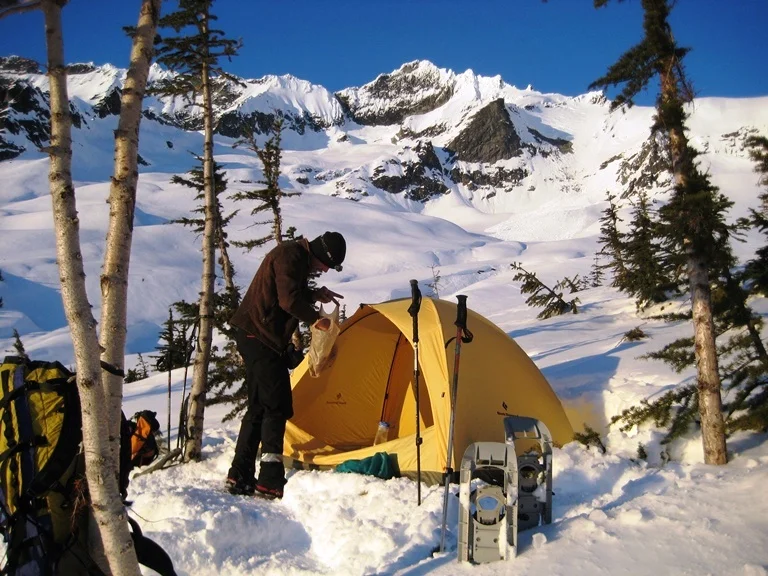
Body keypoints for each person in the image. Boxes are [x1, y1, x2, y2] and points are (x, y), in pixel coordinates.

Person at [226, 231, 346, 498]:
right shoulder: (290, 255)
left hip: (258, 337)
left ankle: (239, 474)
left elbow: (291, 290)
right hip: (258, 336)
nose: (326, 269)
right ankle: (269, 480)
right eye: (328, 264)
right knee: (276, 406)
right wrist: (318, 320)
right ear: (322, 255)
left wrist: (316, 294)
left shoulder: (296, 258)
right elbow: (288, 300)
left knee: (258, 408)